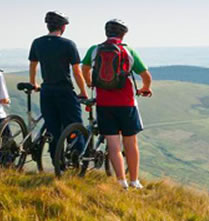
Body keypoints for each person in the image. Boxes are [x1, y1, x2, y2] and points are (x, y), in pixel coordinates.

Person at [82, 19, 152, 190]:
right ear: (123, 34)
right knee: (130, 142)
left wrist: (90, 82)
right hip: (126, 103)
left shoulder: (94, 49)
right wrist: (145, 88)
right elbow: (146, 76)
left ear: (107, 33)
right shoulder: (128, 51)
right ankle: (135, 181)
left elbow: (84, 68)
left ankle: (121, 182)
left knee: (113, 144)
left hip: (104, 103)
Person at [28, 11, 88, 166]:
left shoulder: (37, 42)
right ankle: (76, 159)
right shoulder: (68, 44)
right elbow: (76, 71)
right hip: (65, 90)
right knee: (74, 124)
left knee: (53, 127)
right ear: (63, 27)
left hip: (46, 90)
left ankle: (57, 161)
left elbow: (33, 65)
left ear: (48, 26)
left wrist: (33, 82)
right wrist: (83, 91)